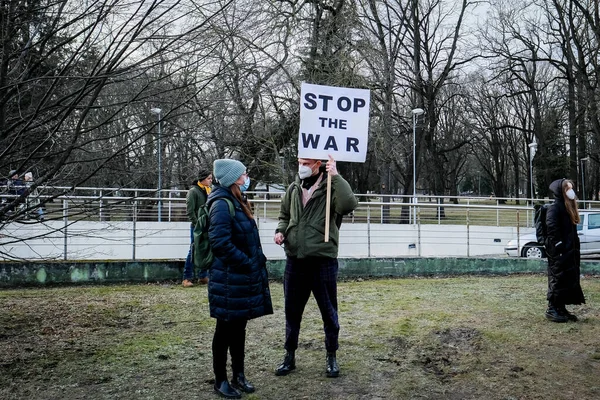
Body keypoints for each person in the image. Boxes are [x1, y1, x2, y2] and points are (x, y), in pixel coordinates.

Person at [273, 155, 358, 378]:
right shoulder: (293, 188)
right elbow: (284, 215)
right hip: (295, 260)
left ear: (317, 165)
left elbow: (349, 204)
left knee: (329, 312)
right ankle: (289, 356)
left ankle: (331, 356)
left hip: (322, 260)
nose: (300, 166)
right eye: (299, 162)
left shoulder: (331, 187)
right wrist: (281, 231)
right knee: (292, 311)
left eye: (305, 163)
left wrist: (336, 175)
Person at [207, 159, 273, 399]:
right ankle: (221, 380)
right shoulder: (222, 204)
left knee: (239, 328)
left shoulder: (237, 200)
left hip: (239, 278)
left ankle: (239, 375)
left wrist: (256, 259)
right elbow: (220, 243)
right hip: (228, 280)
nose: (247, 177)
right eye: (244, 173)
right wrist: (247, 262)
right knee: (224, 330)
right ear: (232, 178)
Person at [544, 178, 586, 322]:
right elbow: (552, 228)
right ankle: (552, 308)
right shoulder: (555, 208)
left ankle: (560, 308)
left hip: (569, 251)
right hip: (559, 252)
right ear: (561, 191)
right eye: (568, 188)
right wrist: (559, 246)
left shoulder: (568, 207)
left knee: (566, 278)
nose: (571, 191)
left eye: (571, 188)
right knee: (558, 277)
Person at [183, 169, 213, 288]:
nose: (210, 180)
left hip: (207, 225)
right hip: (197, 226)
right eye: (208, 178)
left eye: (211, 178)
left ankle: (203, 275)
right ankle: (187, 277)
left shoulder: (209, 191)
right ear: (202, 179)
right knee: (194, 250)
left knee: (205, 250)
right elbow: (190, 211)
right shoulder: (193, 191)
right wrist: (197, 224)